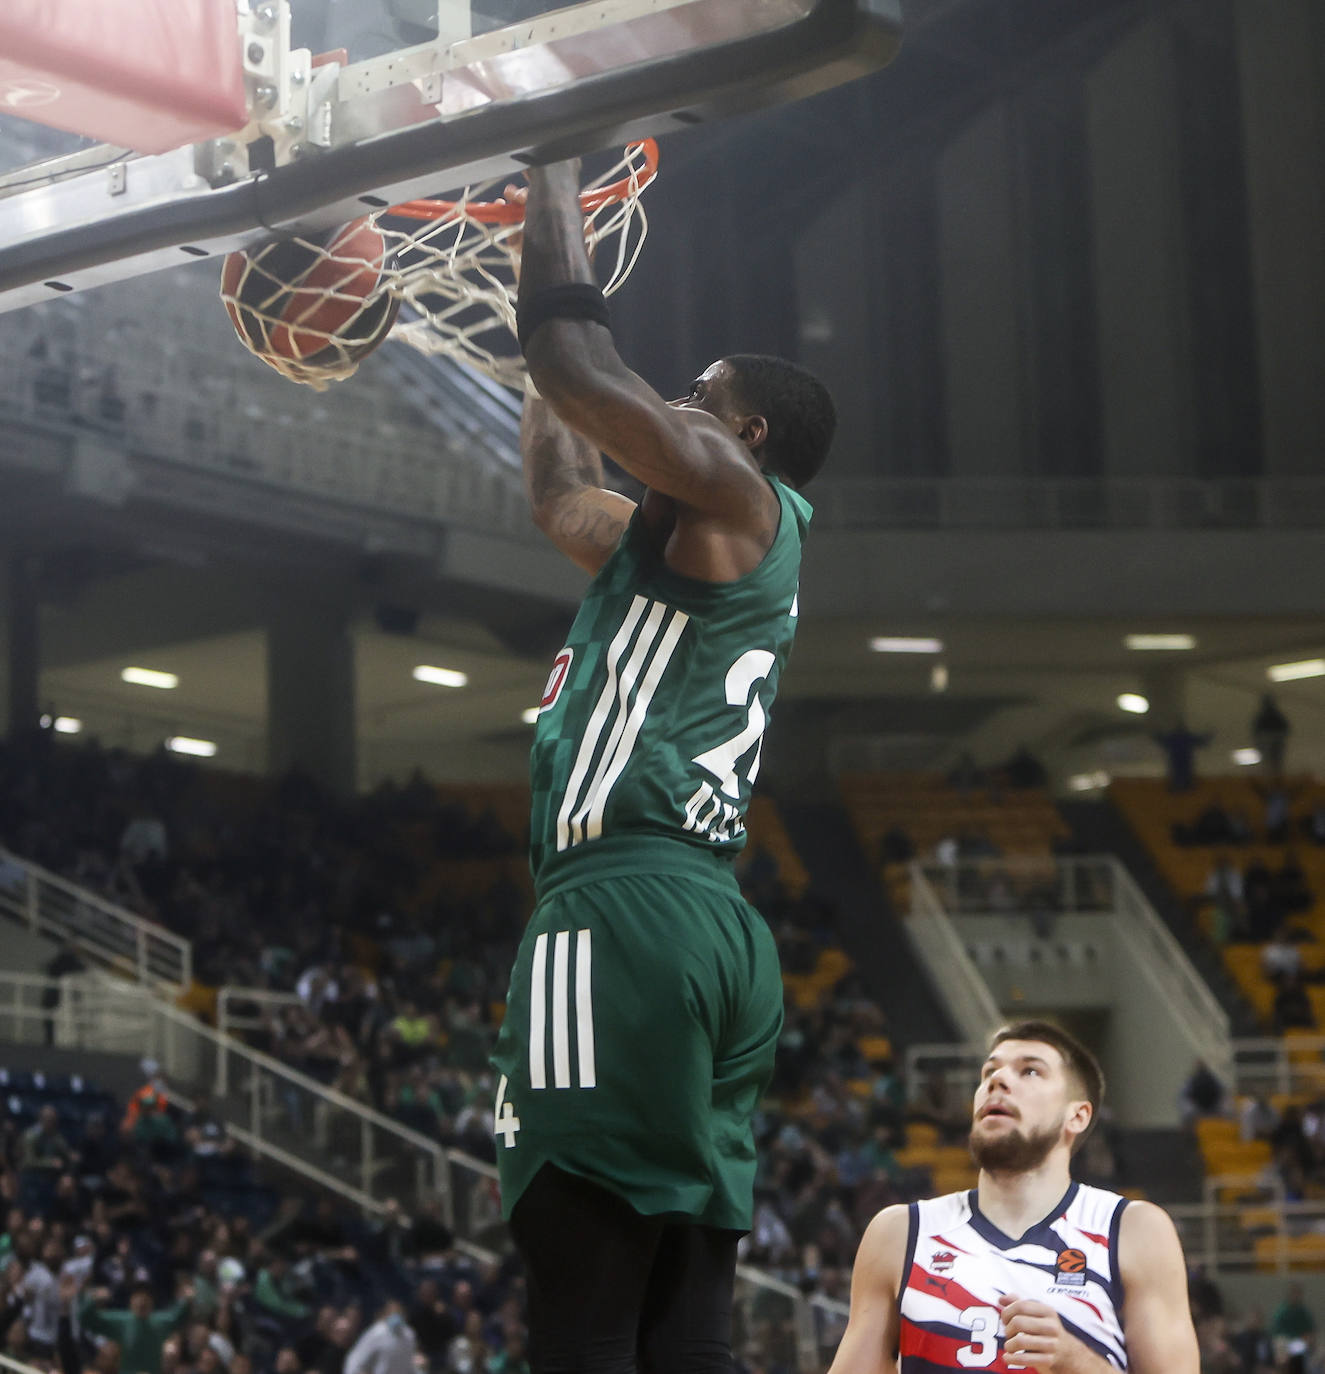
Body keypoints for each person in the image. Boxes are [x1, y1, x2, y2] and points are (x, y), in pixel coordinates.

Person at [489, 158, 836, 1374]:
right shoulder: (680, 553)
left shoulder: (743, 494)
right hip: (702, 929)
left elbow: (585, 371)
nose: (673, 405)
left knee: (574, 1265)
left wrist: (549, 172)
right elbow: (557, 483)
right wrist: (516, 281)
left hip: (625, 910)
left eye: (695, 394)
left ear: (741, 435)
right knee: (678, 1315)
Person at [827, 1019, 1198, 1374]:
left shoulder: (1133, 1230)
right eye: (989, 1072)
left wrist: (1073, 1361)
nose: (998, 1080)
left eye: (1030, 1071)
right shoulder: (900, 1232)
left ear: (1077, 1116)